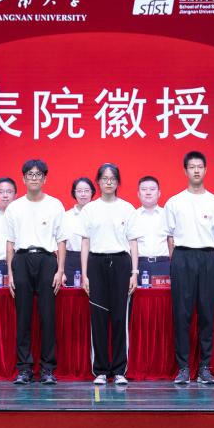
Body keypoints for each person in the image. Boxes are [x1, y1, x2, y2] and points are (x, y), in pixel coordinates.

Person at [165, 151, 214, 385]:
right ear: (185, 171)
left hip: (208, 258)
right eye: (192, 167)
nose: (196, 170)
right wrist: (177, 260)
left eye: (200, 166)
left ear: (206, 170)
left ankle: (204, 368)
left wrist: (209, 257)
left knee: (207, 314)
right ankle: (183, 368)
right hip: (182, 257)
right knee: (182, 314)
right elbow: (170, 236)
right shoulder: (175, 201)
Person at [78, 163, 141, 385]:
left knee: (119, 318)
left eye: (112, 178)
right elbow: (85, 243)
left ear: (118, 182)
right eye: (104, 178)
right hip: (96, 263)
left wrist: (134, 273)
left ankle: (120, 369)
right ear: (98, 182)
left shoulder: (127, 208)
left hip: (121, 263)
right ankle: (101, 370)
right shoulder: (89, 209)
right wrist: (85, 275)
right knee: (99, 318)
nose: (108, 182)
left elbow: (133, 243)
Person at [5, 159, 66, 385]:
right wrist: (10, 273)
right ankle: (24, 368)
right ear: (23, 178)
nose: (34, 178)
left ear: (45, 179)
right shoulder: (14, 207)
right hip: (21, 260)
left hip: (47, 260)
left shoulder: (55, 205)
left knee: (47, 316)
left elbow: (61, 240)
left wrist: (60, 270)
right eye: (30, 174)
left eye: (38, 174)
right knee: (23, 317)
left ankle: (48, 368)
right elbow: (10, 243)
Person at [131, 176, 170, 278]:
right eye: (144, 189)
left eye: (152, 189)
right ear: (138, 194)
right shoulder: (132, 216)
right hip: (140, 264)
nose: (148, 193)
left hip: (164, 264)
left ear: (159, 193)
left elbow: (172, 241)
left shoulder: (167, 214)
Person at [62, 177, 96, 286]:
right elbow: (60, 244)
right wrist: (61, 271)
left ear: (92, 192)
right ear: (74, 193)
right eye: (79, 191)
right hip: (71, 261)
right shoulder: (66, 216)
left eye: (86, 191)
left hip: (94, 259)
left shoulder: (98, 214)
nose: (83, 194)